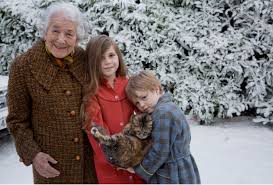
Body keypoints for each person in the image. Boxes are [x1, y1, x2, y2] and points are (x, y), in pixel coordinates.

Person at [6, 2, 97, 184]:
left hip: (90, 167)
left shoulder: (86, 60)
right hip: (52, 170)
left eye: (69, 33)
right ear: (45, 31)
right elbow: (17, 121)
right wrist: (33, 154)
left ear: (77, 37)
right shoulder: (23, 67)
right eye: (55, 31)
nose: (61, 39)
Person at [81, 35, 145, 184]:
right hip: (112, 170)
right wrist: (122, 159)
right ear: (93, 62)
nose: (108, 62)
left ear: (118, 56)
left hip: (138, 164)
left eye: (111, 55)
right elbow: (97, 133)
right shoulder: (92, 94)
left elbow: (144, 113)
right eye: (101, 58)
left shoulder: (129, 84)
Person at [125, 70, 201, 184]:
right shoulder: (167, 107)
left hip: (171, 173)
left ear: (156, 89)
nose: (141, 105)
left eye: (144, 97)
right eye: (137, 103)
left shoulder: (163, 114)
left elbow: (160, 151)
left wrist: (140, 169)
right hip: (181, 165)